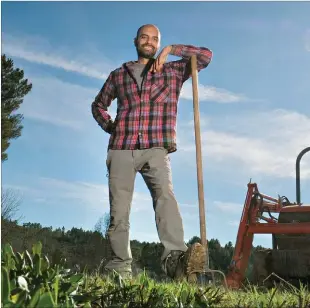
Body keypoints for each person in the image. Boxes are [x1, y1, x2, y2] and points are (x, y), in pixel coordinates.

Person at [91, 24, 213, 281]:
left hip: (156, 147)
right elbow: (98, 105)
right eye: (144, 37)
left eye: (155, 39)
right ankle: (119, 269)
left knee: (165, 198)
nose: (149, 42)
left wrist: (172, 49)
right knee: (119, 212)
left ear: (159, 44)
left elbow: (205, 56)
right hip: (121, 148)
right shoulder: (119, 75)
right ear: (135, 40)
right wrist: (110, 127)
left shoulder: (173, 70)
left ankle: (176, 261)